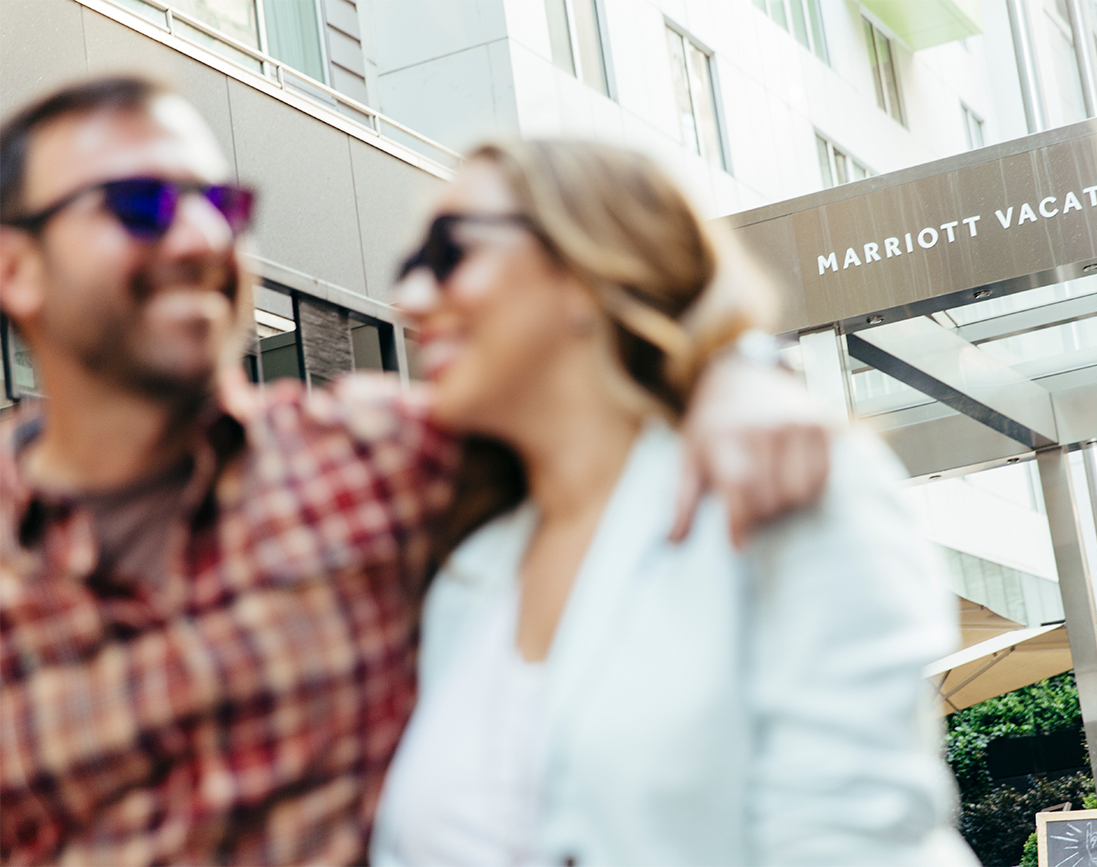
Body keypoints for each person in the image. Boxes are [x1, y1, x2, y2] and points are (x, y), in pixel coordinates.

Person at [0, 77, 832, 866]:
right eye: (137, 205)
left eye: (220, 204)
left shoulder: (380, 456)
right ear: (15, 269)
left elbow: (587, 389)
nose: (198, 238)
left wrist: (733, 373)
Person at [368, 140, 976, 866]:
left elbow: (847, 839)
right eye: (407, 267)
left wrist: (739, 363)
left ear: (587, 270)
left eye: (449, 252)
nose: (409, 299)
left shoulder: (782, 482)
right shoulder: (469, 566)